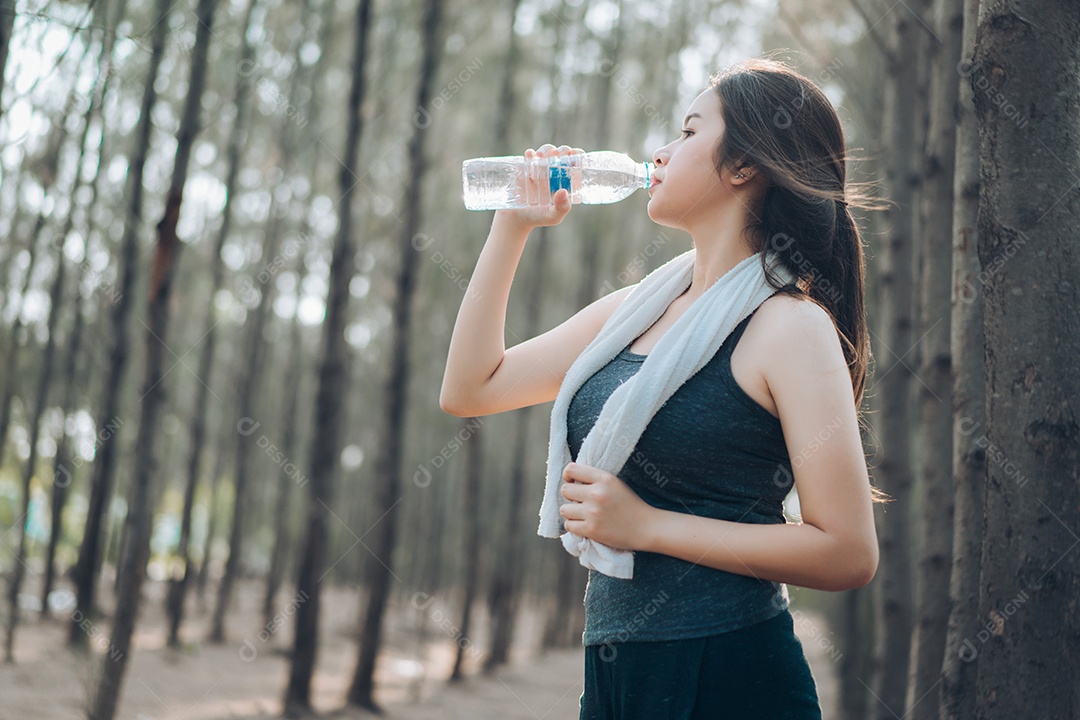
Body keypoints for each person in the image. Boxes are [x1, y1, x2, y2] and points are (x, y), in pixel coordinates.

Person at [440, 56, 884, 720]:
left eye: (687, 131)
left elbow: (847, 551)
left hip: (729, 671)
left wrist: (646, 525)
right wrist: (513, 226)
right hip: (617, 668)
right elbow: (472, 387)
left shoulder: (788, 326)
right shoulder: (632, 311)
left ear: (741, 167)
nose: (660, 151)